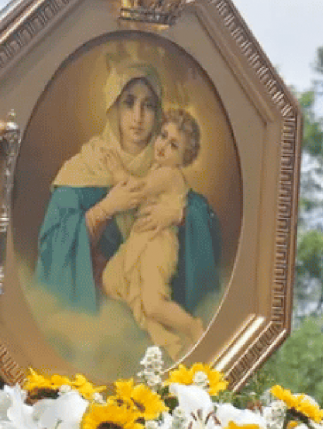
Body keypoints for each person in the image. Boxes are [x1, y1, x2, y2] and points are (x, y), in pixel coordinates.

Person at [35, 64, 221, 354]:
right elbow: (52, 247)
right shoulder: (85, 167)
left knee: (150, 300)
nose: (138, 117)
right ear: (113, 108)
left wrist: (180, 215)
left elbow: (206, 221)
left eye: (148, 106)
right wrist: (105, 209)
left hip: (152, 286)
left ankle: (174, 337)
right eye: (128, 103)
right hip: (96, 320)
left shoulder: (164, 167)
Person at [101, 108, 204, 358]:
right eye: (163, 136)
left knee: (154, 304)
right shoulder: (159, 169)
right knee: (113, 280)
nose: (163, 146)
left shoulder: (169, 174)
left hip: (158, 245)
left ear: (183, 157)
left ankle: (193, 327)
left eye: (174, 145)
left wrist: (117, 170)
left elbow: (137, 191)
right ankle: (170, 342)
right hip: (142, 240)